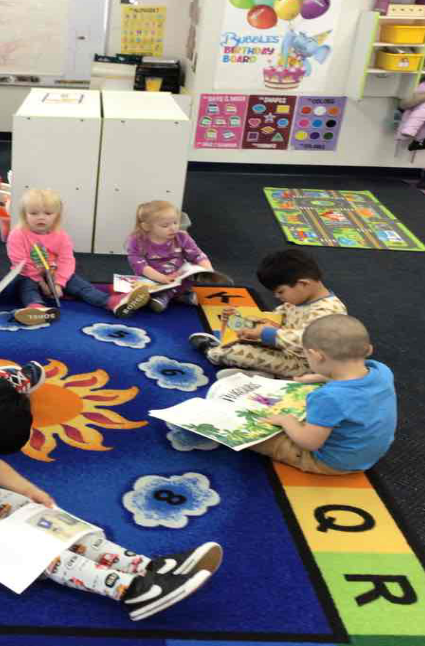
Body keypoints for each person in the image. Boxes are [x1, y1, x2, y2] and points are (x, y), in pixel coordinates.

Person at [0, 373, 223, 622]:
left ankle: (147, 566)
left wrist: (27, 490)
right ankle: (131, 590)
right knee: (38, 550)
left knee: (61, 527)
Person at [254, 315, 397, 475]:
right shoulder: (382, 371)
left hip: (333, 463)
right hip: (369, 453)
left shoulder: (328, 397)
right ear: (369, 349)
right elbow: (354, 385)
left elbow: (309, 443)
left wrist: (287, 421)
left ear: (316, 356)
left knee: (265, 437)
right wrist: (322, 377)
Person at [190, 248, 346, 379]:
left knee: (237, 352)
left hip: (306, 365)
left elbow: (308, 341)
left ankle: (211, 351)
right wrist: (242, 321)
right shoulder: (297, 301)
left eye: (281, 291)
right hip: (284, 350)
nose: (277, 297)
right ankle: (261, 373)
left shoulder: (330, 311)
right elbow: (273, 319)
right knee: (241, 341)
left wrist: (265, 333)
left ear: (303, 284)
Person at [8, 189, 150, 326]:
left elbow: (66, 260)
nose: (41, 217)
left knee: (80, 285)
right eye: (34, 213)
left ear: (57, 215)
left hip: (53, 273)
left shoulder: (61, 236)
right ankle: (36, 308)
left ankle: (112, 302)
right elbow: (20, 263)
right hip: (29, 275)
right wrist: (43, 284)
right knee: (27, 287)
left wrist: (58, 283)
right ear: (24, 215)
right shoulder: (17, 234)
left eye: (48, 213)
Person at [126, 200, 228, 313]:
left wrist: (208, 270)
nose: (173, 228)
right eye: (165, 225)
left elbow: (197, 255)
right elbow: (139, 265)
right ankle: (173, 296)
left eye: (175, 222)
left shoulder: (182, 237)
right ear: (146, 226)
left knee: (191, 278)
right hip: (153, 277)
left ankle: (168, 296)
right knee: (143, 287)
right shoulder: (137, 240)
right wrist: (162, 278)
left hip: (177, 276)